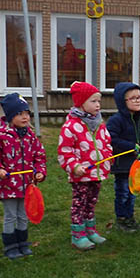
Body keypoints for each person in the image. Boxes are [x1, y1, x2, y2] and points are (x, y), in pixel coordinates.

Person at [0, 93, 47, 259]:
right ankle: (10, 245)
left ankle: (22, 242)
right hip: (8, 185)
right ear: (11, 116)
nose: (25, 117)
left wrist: (39, 171)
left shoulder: (30, 136)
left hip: (26, 184)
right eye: (20, 114)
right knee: (11, 215)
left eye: (27, 113)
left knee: (23, 214)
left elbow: (39, 155)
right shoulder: (1, 136)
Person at [57, 81, 112, 250]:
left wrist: (108, 158)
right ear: (81, 103)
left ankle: (90, 230)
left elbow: (107, 143)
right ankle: (77, 234)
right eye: (93, 101)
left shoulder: (99, 123)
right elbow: (65, 152)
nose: (97, 105)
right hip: (81, 175)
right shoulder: (70, 126)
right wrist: (74, 166)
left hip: (97, 173)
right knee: (79, 204)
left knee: (91, 202)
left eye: (99, 101)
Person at [106, 81, 140, 232]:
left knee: (133, 192)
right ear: (123, 101)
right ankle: (121, 220)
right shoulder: (116, 120)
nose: (137, 101)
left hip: (137, 165)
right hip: (122, 165)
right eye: (133, 98)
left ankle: (130, 218)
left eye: (139, 97)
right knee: (122, 192)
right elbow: (111, 139)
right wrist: (130, 146)